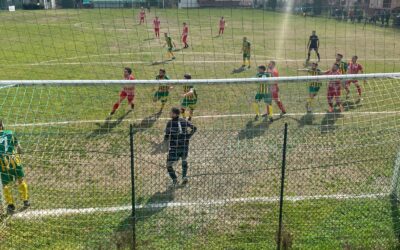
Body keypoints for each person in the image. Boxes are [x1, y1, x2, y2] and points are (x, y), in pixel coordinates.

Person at [0, 120, 30, 214]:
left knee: (5, 184)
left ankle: (10, 205)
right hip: (14, 159)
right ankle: (25, 201)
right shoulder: (10, 133)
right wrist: (20, 153)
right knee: (20, 179)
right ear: (2, 125)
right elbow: (18, 147)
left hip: (2, 161)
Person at [163, 108, 197, 187]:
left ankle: (175, 180)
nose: (169, 113)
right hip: (184, 146)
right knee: (184, 160)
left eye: (170, 112)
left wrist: (165, 143)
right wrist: (188, 136)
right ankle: (184, 177)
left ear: (174, 114)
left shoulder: (170, 123)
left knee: (169, 164)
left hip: (175, 147)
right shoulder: (184, 121)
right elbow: (194, 128)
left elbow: (167, 136)